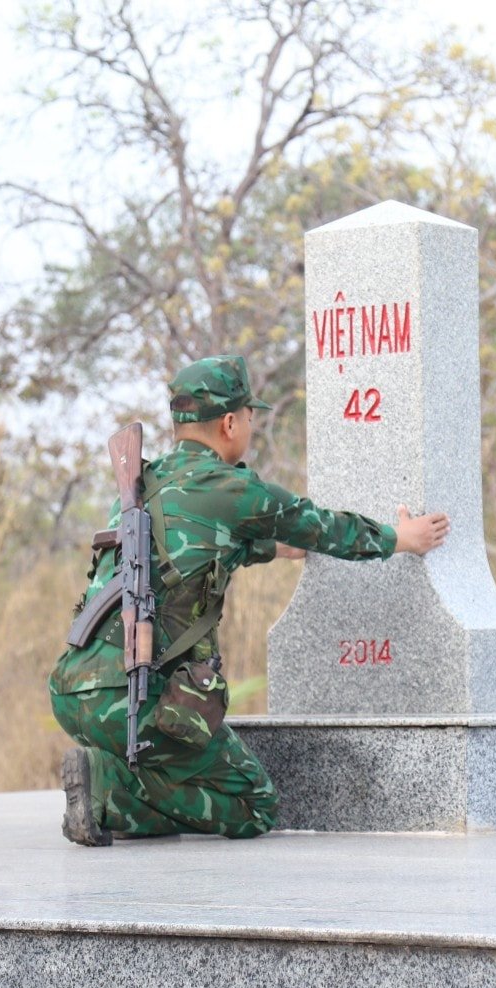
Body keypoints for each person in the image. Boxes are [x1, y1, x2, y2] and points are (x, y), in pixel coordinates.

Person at [48, 354, 450, 845]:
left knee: (172, 768)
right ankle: (106, 787)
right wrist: (398, 538)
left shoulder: (140, 487)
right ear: (230, 422)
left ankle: (109, 775)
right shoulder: (232, 488)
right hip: (129, 696)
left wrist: (268, 548)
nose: (251, 430)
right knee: (254, 805)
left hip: (72, 688)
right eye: (251, 419)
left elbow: (192, 550)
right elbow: (321, 526)